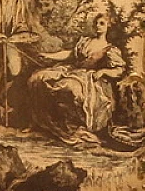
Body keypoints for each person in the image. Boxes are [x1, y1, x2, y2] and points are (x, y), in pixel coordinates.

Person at [28, 11, 127, 145]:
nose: (98, 26)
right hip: (72, 71)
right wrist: (48, 55)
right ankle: (41, 121)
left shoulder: (109, 49)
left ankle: (70, 127)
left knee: (69, 88)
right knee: (38, 77)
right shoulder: (85, 41)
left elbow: (119, 70)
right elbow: (69, 54)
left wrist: (103, 71)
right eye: (96, 23)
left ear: (108, 26)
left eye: (102, 24)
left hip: (90, 80)